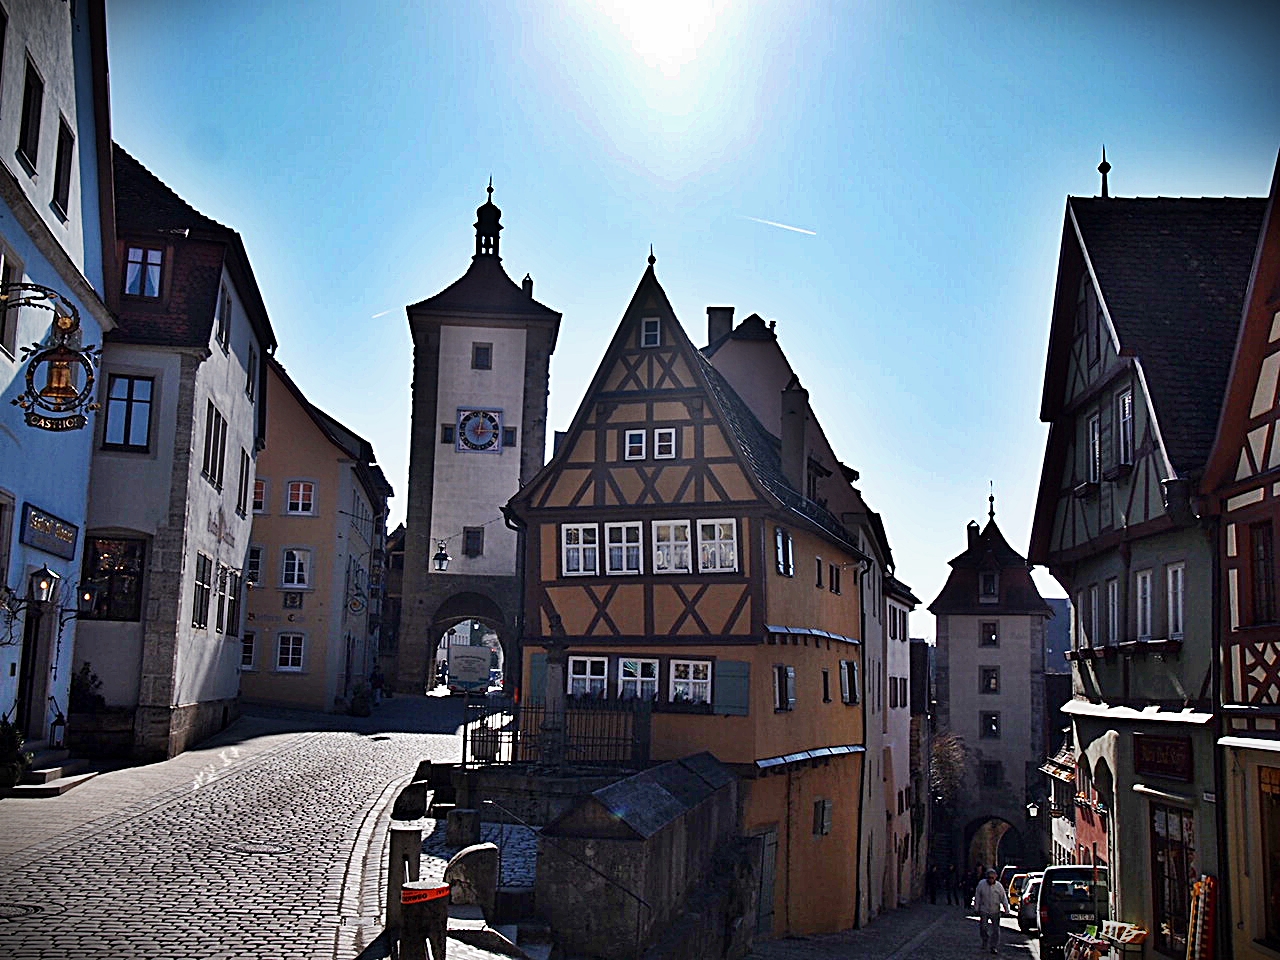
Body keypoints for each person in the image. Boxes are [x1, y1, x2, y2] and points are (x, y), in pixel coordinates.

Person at [974, 867, 1010, 953]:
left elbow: (1003, 898)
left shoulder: (999, 886)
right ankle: (985, 940)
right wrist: (976, 908)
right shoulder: (981, 884)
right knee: (983, 928)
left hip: (995, 910)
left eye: (992, 878)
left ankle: (993, 946)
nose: (990, 879)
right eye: (989, 878)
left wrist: (1006, 909)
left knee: (996, 930)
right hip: (984, 909)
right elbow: (977, 896)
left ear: (995, 877)